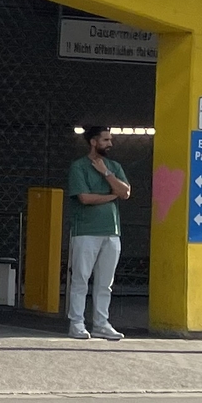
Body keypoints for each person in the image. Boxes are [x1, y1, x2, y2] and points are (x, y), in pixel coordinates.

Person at [64, 123, 133, 341]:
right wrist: (111, 195)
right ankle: (76, 323)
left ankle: (101, 323)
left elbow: (126, 192)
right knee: (81, 279)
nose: (109, 143)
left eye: (110, 140)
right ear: (93, 142)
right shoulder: (79, 167)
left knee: (105, 282)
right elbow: (85, 198)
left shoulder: (113, 166)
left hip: (112, 232)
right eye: (105, 140)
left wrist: (106, 173)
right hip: (85, 231)